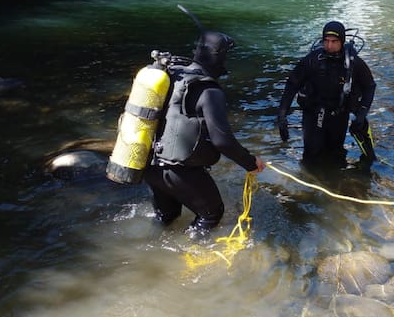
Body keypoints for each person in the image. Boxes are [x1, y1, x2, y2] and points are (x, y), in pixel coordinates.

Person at [145, 30, 265, 237]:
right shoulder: (209, 91)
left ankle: (149, 254)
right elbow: (222, 141)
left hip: (150, 165)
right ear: (218, 56)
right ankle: (190, 260)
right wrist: (251, 163)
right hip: (179, 170)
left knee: (167, 216)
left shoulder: (173, 75)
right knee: (211, 214)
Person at [276, 21, 376, 170]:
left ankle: (334, 183)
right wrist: (282, 115)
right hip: (314, 111)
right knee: (311, 154)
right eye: (326, 41)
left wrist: (362, 113)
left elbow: (370, 86)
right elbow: (292, 84)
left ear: (342, 42)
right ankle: (309, 186)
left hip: (339, 114)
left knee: (336, 154)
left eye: (334, 41)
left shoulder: (354, 64)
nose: (329, 45)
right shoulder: (312, 60)